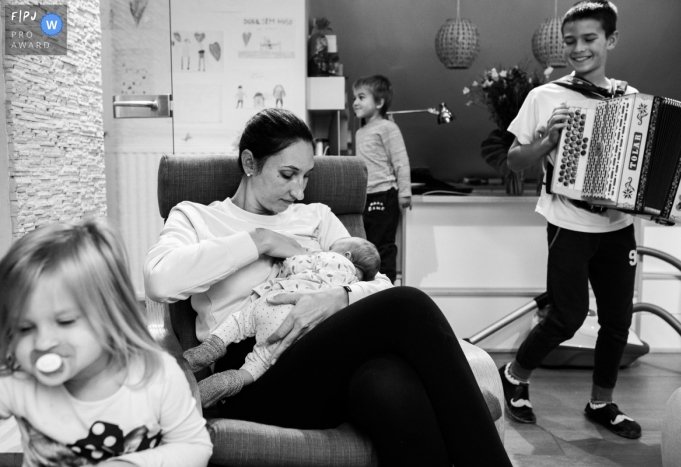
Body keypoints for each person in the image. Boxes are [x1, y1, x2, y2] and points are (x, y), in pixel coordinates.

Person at [144, 108, 512, 467]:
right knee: (410, 304)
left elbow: (378, 285)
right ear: (250, 163)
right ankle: (471, 424)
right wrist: (259, 241)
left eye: (306, 176)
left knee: (386, 383)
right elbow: (159, 280)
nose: (299, 192)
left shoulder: (317, 216)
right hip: (253, 376)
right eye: (288, 175)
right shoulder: (197, 216)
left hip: (327, 365)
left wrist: (337, 298)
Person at [503, 0, 641, 439]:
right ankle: (516, 375)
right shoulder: (544, 97)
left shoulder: (631, 98)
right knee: (567, 316)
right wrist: (547, 141)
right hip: (568, 223)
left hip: (618, 227)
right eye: (570, 42)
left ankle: (601, 402)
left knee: (618, 320)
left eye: (589, 39)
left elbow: (639, 168)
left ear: (611, 40)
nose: (578, 49)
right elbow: (512, 160)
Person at [0, 220, 212, 467]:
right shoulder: (17, 381)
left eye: (65, 321)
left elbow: (195, 448)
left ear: (111, 316)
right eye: (25, 328)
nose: (43, 342)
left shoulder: (157, 376)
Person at [182, 237, 380, 406]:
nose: (327, 251)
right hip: (295, 326)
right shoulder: (356, 287)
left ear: (347, 256)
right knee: (259, 363)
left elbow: (295, 264)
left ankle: (209, 349)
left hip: (273, 301)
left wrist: (290, 261)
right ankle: (225, 383)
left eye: (331, 248)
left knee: (240, 321)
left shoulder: (331, 259)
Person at [352, 75, 412, 284]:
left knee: (383, 244)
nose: (355, 102)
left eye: (361, 97)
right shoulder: (360, 131)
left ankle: (386, 287)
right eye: (354, 98)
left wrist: (405, 192)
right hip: (366, 196)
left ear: (379, 103)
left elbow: (400, 160)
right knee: (366, 245)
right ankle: (370, 286)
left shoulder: (388, 128)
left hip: (384, 194)